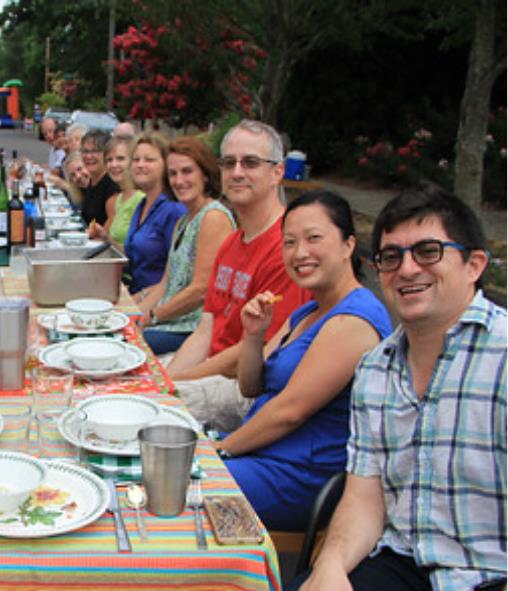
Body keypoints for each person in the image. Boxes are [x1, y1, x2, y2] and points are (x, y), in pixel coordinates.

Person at [292, 186, 506, 591]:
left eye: (427, 252)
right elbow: (364, 497)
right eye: (391, 257)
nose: (406, 270)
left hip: (488, 574)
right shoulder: (375, 369)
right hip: (401, 563)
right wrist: (331, 566)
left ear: (474, 265)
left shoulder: (502, 356)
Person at [215, 192, 392, 531]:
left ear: (348, 245)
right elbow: (250, 386)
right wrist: (253, 335)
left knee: (174, 481)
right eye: (290, 242)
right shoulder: (308, 311)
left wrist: (220, 450)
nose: (300, 253)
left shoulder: (354, 320)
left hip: (299, 476)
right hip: (261, 453)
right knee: (155, 453)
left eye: (314, 238)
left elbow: (290, 411)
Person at [168, 119, 309, 432]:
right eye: (229, 163)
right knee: (130, 378)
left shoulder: (288, 247)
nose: (237, 172)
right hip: (208, 370)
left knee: (151, 406)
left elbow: (256, 352)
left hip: (246, 386)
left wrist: (171, 384)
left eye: (251, 163)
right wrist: (168, 377)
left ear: (278, 172)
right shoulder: (231, 242)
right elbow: (206, 331)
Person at [139, 135, 235, 354]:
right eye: (172, 174)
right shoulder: (183, 221)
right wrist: (134, 316)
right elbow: (165, 284)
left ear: (205, 175)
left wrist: (152, 317)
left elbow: (201, 290)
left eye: (187, 171)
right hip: (169, 322)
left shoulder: (213, 217)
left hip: (193, 330)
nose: (179, 180)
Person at [123, 132, 187, 294]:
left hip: (157, 301)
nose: (140, 165)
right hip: (135, 292)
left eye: (149, 160)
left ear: (166, 165)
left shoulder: (174, 210)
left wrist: (138, 301)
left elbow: (178, 275)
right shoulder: (141, 205)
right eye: (136, 160)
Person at [87, 135, 144, 253]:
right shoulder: (119, 199)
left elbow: (138, 253)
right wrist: (103, 236)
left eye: (120, 159)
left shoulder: (141, 199)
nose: (113, 165)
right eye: (109, 160)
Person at [79, 129, 121, 226]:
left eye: (95, 151)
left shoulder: (112, 185)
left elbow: (111, 227)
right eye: (85, 151)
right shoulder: (92, 180)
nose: (88, 156)